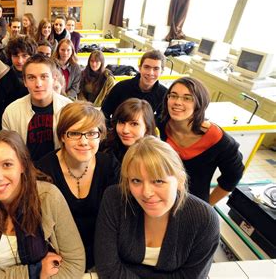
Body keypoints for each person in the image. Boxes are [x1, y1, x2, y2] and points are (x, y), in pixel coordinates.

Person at [0, 130, 85, 278]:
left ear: (23, 165)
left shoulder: (49, 197)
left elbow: (75, 263)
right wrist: (32, 273)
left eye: (7, 165)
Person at [95, 136, 220, 278]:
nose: (147, 193)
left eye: (158, 181)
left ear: (180, 180)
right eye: (136, 181)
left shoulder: (204, 220)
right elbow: (107, 268)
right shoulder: (115, 199)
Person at [36, 101, 119, 271]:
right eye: (74, 133)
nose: (84, 142)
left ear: (100, 135)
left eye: (91, 133)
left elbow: (117, 221)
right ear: (62, 136)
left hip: (104, 253)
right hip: (59, 257)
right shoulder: (43, 170)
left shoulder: (110, 166)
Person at [158, 77, 244, 204]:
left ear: (199, 103)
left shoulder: (220, 141)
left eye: (187, 98)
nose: (177, 102)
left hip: (192, 202)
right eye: (173, 96)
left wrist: (207, 206)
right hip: (158, 197)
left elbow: (233, 176)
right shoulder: (158, 126)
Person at [2, 54, 72, 161]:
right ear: (25, 81)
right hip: (26, 172)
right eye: (31, 78)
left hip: (61, 172)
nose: (38, 84)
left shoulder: (69, 109)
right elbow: (9, 152)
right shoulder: (11, 112)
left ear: (54, 79)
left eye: (44, 77)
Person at [101, 49, 168, 123]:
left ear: (162, 72)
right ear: (139, 68)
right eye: (146, 67)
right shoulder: (121, 87)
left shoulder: (164, 94)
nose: (150, 73)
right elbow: (104, 114)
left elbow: (162, 121)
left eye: (156, 69)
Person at [101, 98, 157, 164]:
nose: (125, 130)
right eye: (121, 122)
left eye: (134, 124)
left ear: (147, 127)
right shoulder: (105, 149)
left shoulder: (156, 158)